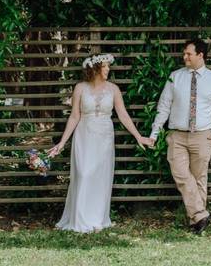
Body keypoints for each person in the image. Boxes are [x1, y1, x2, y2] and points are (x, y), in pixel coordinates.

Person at [48, 53, 154, 232]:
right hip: (84, 135)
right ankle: (79, 220)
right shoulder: (80, 88)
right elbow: (74, 116)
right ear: (95, 69)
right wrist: (61, 143)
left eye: (108, 66)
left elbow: (123, 115)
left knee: (100, 176)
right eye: (105, 67)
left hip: (104, 136)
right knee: (83, 173)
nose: (108, 69)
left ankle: (96, 219)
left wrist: (138, 136)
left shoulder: (113, 89)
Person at [149, 38, 211, 234]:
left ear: (200, 55)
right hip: (177, 136)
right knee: (181, 175)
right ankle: (201, 215)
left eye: (188, 54)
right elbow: (163, 107)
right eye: (184, 53)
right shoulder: (175, 77)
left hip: (202, 136)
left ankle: (197, 223)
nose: (184, 57)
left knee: (199, 178)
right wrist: (154, 132)